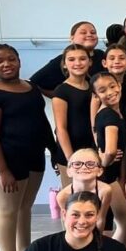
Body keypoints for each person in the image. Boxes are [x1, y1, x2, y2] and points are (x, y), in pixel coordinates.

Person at [0, 44, 55, 251]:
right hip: (7, 160)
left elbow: (41, 122)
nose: (6, 64)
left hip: (33, 156)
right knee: (7, 210)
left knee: (25, 208)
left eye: (11, 59)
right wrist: (2, 171)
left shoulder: (31, 88)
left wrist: (53, 149)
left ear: (19, 61)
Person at [56, 147, 126, 246]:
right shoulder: (62, 196)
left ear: (100, 171)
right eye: (77, 164)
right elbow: (68, 224)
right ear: (69, 171)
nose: (84, 167)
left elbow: (100, 219)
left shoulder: (105, 190)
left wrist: (96, 244)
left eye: (90, 164)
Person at [51, 43, 95, 186]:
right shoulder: (61, 91)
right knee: (73, 197)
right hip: (71, 151)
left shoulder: (94, 86)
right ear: (64, 65)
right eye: (71, 59)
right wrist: (71, 159)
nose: (77, 63)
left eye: (82, 59)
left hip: (92, 150)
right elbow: (61, 128)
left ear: (90, 62)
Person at [29, 21, 104, 96]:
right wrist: (61, 97)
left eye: (93, 32)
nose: (89, 35)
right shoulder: (62, 59)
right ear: (72, 38)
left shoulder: (101, 54)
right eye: (83, 33)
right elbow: (35, 81)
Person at [91, 71, 126, 187]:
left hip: (112, 176)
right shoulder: (109, 115)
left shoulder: (113, 112)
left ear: (119, 85)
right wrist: (104, 162)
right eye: (102, 91)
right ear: (96, 96)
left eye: (112, 86)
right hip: (108, 178)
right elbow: (111, 151)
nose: (110, 92)